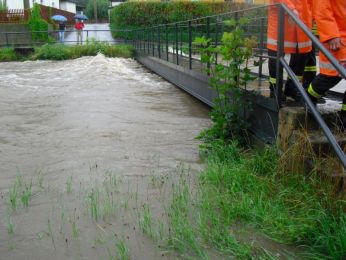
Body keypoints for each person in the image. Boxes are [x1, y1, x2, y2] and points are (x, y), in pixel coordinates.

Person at [306, 0, 346, 129]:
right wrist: (331, 34)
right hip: (337, 38)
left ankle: (344, 119)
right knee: (331, 75)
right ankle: (309, 98)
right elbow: (321, 8)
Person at [267, 0, 313, 101]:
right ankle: (275, 89)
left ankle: (292, 88)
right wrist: (291, 8)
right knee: (276, 59)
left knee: (301, 58)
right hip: (281, 19)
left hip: (302, 21)